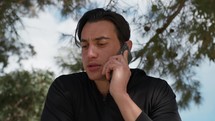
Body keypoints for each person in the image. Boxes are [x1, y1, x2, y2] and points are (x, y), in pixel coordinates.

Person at [41, 8, 181, 121]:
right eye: (84, 46)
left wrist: (120, 95)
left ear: (126, 47)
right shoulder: (66, 89)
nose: (90, 54)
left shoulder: (156, 91)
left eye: (101, 44)